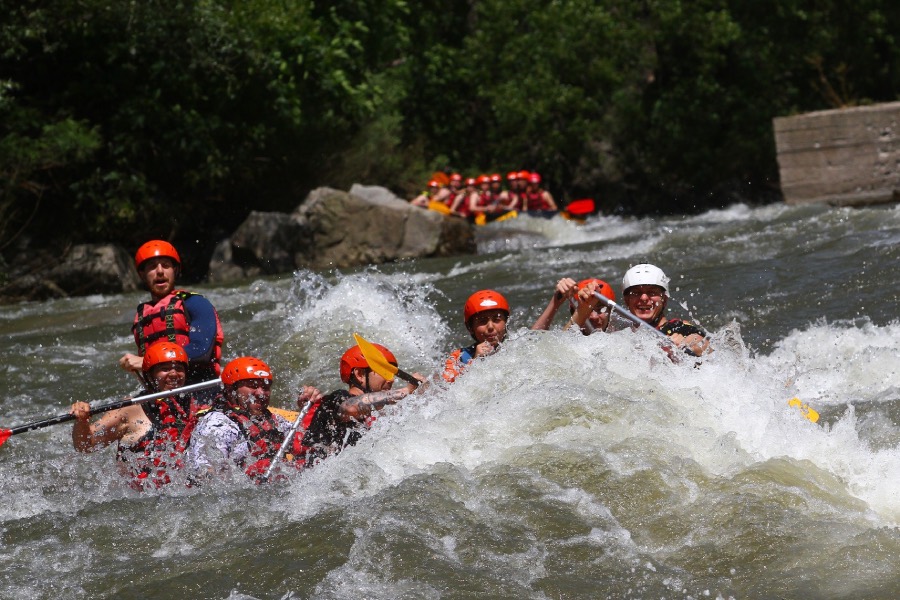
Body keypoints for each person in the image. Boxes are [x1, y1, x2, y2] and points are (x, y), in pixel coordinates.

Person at [70, 342, 206, 489]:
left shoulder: (195, 407)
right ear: (149, 375)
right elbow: (85, 446)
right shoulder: (129, 409)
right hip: (140, 497)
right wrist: (82, 421)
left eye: (179, 368)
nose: (173, 374)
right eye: (164, 369)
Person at [298, 343, 424, 466]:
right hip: (311, 473)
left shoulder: (376, 416)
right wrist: (406, 391)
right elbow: (351, 408)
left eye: (392, 374)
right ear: (360, 375)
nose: (391, 379)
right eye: (385, 371)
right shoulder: (337, 399)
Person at [188, 356, 310, 482]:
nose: (261, 393)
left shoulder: (272, 420)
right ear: (231, 390)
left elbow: (311, 443)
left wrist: (312, 408)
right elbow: (207, 478)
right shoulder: (218, 425)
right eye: (253, 386)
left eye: (266, 387)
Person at [121, 240, 224, 388]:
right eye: (152, 267)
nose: (160, 271)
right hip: (160, 395)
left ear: (175, 270)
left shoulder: (196, 303)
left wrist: (145, 361)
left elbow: (201, 351)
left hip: (200, 390)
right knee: (114, 412)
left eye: (166, 265)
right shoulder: (142, 315)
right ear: (142, 274)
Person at [609, 263, 710, 356]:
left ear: (664, 300)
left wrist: (687, 343)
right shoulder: (620, 333)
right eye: (636, 293)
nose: (644, 298)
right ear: (627, 300)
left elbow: (706, 346)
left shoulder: (678, 327)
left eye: (652, 293)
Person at [443, 290, 509, 382]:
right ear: (470, 327)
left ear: (506, 322)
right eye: (482, 321)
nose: (490, 327)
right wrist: (475, 362)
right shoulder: (459, 357)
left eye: (496, 320)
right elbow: (447, 388)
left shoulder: (519, 347)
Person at [532, 278, 616, 334]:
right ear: (573, 313)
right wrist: (555, 302)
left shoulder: (621, 336)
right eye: (589, 311)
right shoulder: (568, 340)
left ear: (610, 313)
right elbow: (532, 344)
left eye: (601, 309)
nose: (594, 317)